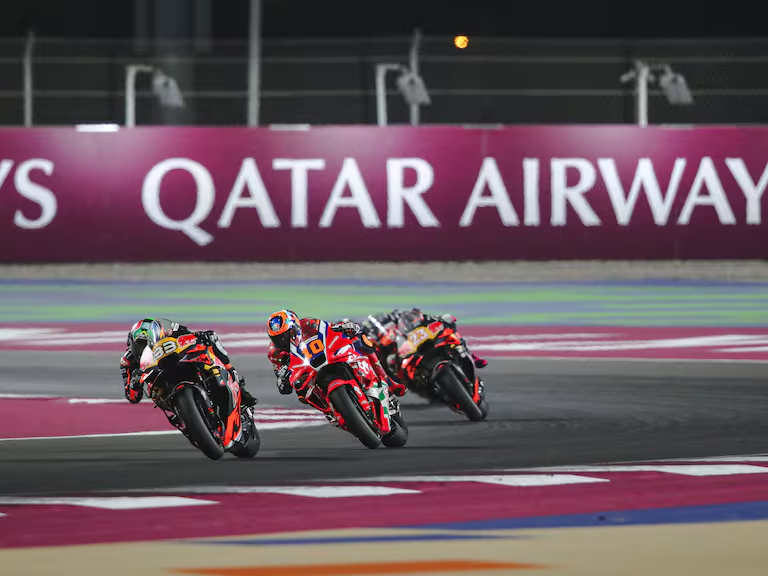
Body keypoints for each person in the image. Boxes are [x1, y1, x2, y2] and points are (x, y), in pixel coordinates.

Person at [266, 309, 408, 401]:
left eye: (286, 334)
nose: (283, 340)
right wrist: (282, 378)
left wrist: (345, 327)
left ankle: (388, 382)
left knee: (361, 340)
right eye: (278, 338)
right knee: (302, 395)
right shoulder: (275, 353)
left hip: (325, 356)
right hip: (308, 375)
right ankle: (331, 411)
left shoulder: (308, 323)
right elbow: (283, 389)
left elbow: (329, 328)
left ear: (295, 326)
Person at [119, 317, 258, 407]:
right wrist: (134, 383)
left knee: (210, 343)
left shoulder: (168, 330)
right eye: (141, 344)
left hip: (175, 362)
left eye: (148, 343)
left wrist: (202, 335)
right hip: (160, 385)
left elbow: (189, 334)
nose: (146, 348)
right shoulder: (127, 361)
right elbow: (132, 397)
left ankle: (236, 381)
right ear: (132, 343)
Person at [365, 308, 488, 371]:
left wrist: (436, 320)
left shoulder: (400, 319)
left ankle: (470, 355)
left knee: (447, 323)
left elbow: (421, 318)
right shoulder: (378, 342)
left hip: (417, 339)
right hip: (404, 358)